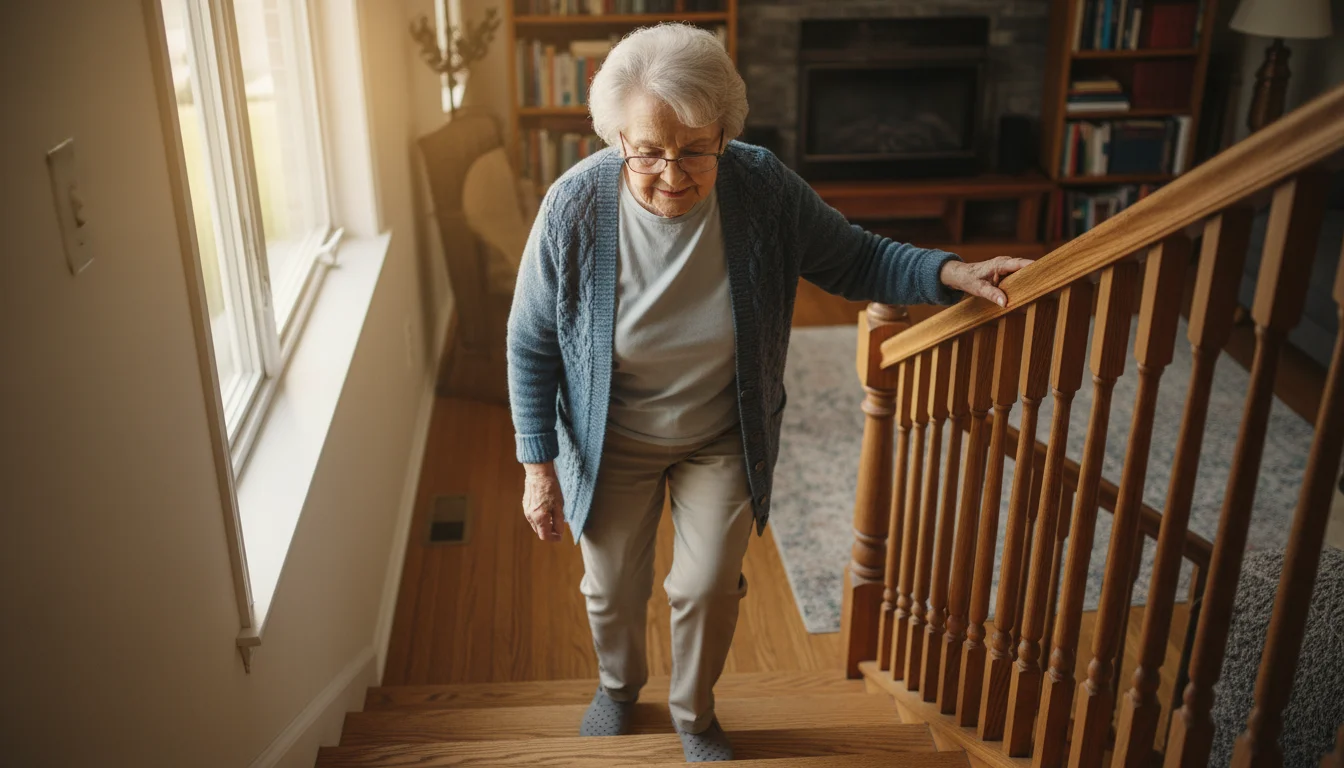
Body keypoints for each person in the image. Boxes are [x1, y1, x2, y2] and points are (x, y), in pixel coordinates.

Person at [506, 23, 1029, 762]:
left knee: (709, 585)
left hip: (724, 431)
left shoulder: (761, 186)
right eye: (648, 151)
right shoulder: (572, 209)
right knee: (612, 589)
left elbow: (854, 255)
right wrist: (538, 467)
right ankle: (618, 689)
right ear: (616, 137)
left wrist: (947, 274)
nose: (672, 172)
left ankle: (693, 714)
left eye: (695, 149)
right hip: (609, 433)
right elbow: (530, 342)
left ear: (726, 132)